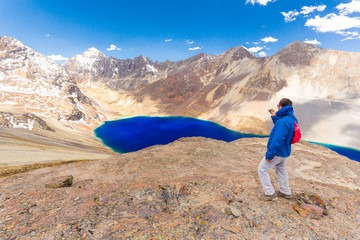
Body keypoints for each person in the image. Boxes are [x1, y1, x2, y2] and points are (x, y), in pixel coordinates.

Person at [258, 98, 298, 201]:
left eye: (277, 106)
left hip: (278, 151)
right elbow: (282, 127)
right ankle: (285, 192)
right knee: (281, 170)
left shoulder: (283, 121)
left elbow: (277, 139)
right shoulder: (291, 118)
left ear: (280, 106)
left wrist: (270, 155)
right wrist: (274, 116)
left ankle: (270, 193)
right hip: (285, 151)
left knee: (262, 169)